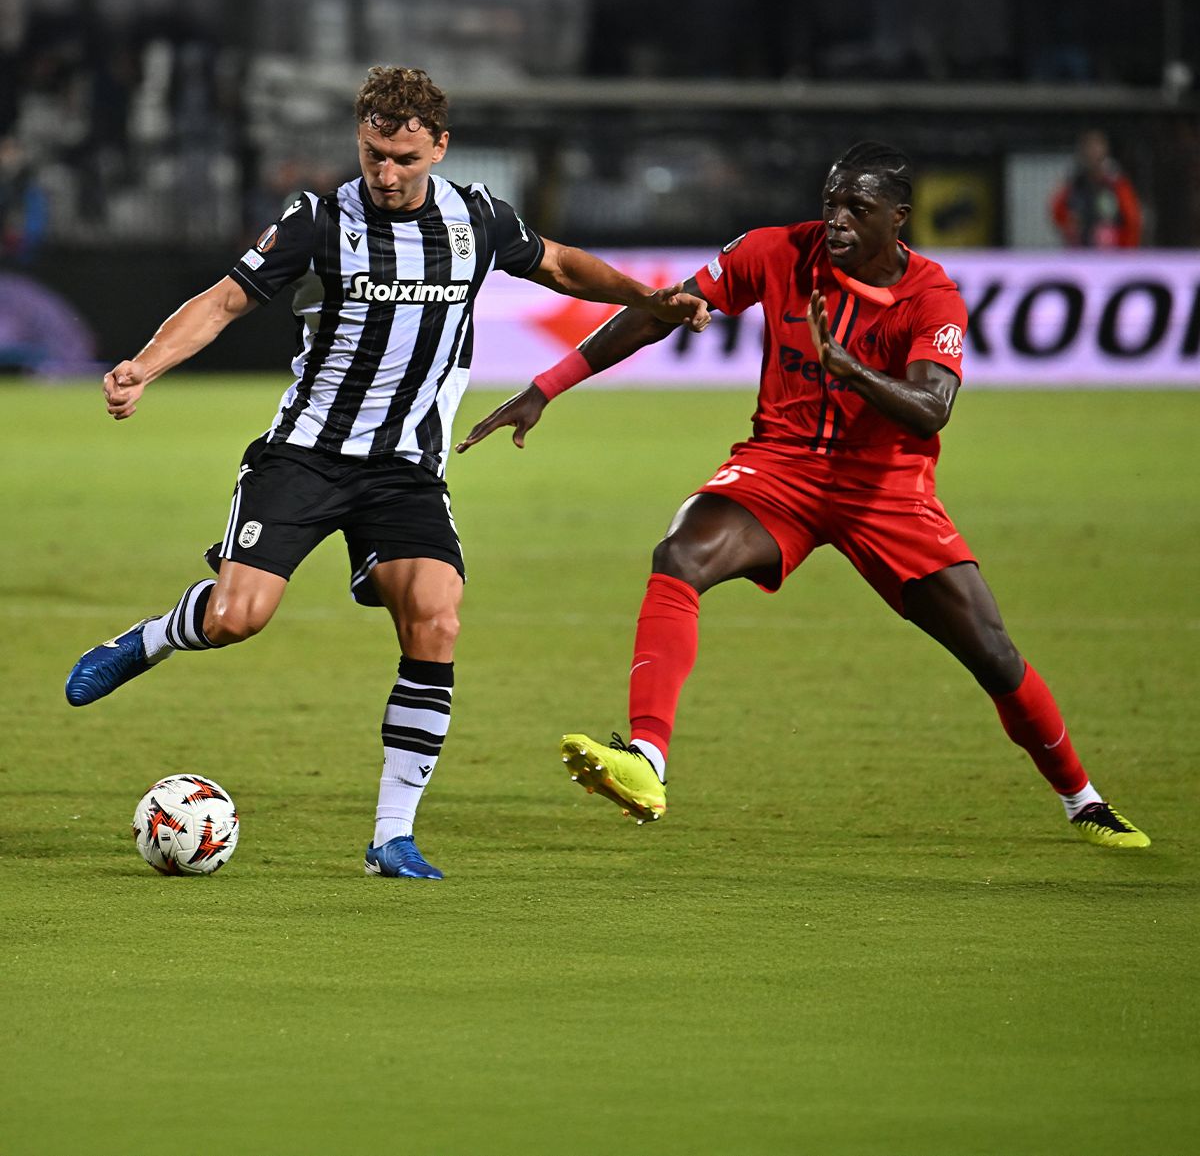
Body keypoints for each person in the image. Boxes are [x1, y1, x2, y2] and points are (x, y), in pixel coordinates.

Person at [64, 65, 709, 879]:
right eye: (373, 152)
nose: (386, 172)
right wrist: (143, 367)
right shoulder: (317, 220)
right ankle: (150, 639)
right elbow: (225, 300)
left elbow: (562, 265)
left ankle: (391, 836)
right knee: (237, 618)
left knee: (436, 616)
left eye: (404, 156)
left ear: (439, 146)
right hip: (306, 453)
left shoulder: (477, 219)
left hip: (405, 469)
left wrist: (649, 298)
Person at [458, 141, 1150, 851]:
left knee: (993, 654)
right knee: (680, 554)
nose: (838, 220)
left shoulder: (932, 295)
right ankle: (647, 759)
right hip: (780, 469)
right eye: (831, 202)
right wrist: (546, 385)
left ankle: (1082, 798)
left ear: (899, 219)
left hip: (885, 489)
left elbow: (931, 407)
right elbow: (660, 311)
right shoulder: (776, 251)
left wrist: (847, 367)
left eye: (859, 207)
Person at [1050, 129, 1143, 248]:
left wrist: (1125, 250)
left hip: (1113, 254)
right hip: (1080, 253)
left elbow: (1133, 221)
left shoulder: (1117, 183)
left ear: (1105, 150)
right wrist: (1070, 225)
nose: (1092, 153)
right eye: (1088, 148)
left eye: (1096, 147)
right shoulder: (1074, 183)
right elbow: (1058, 214)